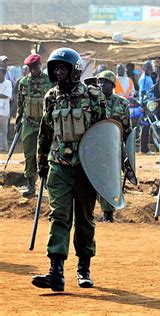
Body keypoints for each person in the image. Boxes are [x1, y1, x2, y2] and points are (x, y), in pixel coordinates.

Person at [32, 47, 107, 291]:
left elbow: (105, 133)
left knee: (84, 220)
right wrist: (41, 162)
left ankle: (83, 269)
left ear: (73, 70)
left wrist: (104, 168)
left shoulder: (93, 96)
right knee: (59, 216)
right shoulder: (50, 97)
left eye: (63, 68)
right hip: (59, 167)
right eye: (55, 69)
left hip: (86, 169)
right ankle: (56, 272)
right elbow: (45, 132)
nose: (59, 72)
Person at [96, 70, 131, 222]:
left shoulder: (122, 103)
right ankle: (103, 209)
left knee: (111, 179)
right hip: (97, 146)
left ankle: (108, 213)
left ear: (112, 84)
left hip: (115, 147)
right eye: (100, 82)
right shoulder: (94, 101)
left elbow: (127, 129)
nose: (102, 85)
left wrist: (128, 153)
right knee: (96, 177)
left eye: (105, 82)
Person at [15, 54, 52, 197]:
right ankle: (31, 187)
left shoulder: (50, 82)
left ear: (40, 66)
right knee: (29, 155)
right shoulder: (23, 82)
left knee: (47, 154)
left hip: (46, 124)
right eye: (31, 68)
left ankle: (50, 185)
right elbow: (20, 104)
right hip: (29, 124)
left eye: (35, 67)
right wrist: (18, 122)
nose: (33, 70)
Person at [138, 60, 155, 155]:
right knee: (145, 126)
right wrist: (144, 106)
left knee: (147, 126)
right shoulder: (144, 78)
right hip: (146, 105)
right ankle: (144, 148)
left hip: (150, 104)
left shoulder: (149, 77)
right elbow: (143, 92)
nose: (150, 69)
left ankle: (145, 147)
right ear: (144, 68)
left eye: (151, 67)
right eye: (148, 68)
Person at [0, 65, 12, 152]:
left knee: (4, 131)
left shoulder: (8, 83)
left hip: (4, 111)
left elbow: (6, 95)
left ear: (4, 74)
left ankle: (4, 147)